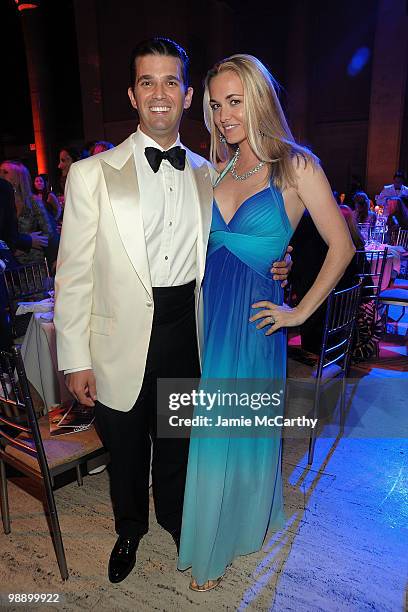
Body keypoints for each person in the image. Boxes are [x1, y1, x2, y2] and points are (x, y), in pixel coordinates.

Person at [53, 37, 293, 585]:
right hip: (116, 341)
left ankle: (177, 518)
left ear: (187, 97)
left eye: (170, 83)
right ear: (132, 95)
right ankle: (130, 527)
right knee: (127, 452)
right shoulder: (92, 175)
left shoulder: (212, 175)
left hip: (191, 328)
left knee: (181, 442)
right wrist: (74, 359)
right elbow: (73, 276)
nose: (159, 94)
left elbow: (242, 239)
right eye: (146, 82)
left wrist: (281, 259)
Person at [178, 54, 355, 591]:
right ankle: (231, 525)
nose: (225, 115)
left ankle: (218, 543)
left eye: (235, 101)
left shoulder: (297, 166)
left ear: (259, 98)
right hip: (211, 315)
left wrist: (298, 311)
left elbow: (342, 247)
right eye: (215, 105)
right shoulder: (215, 170)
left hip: (257, 323)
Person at [0, 161, 52, 266]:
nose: (0, 175)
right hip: (8, 264)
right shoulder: (3, 202)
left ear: (18, 179)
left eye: (5, 172)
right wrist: (18, 246)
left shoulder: (33, 201)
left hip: (32, 264)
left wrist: (31, 245)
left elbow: (48, 232)